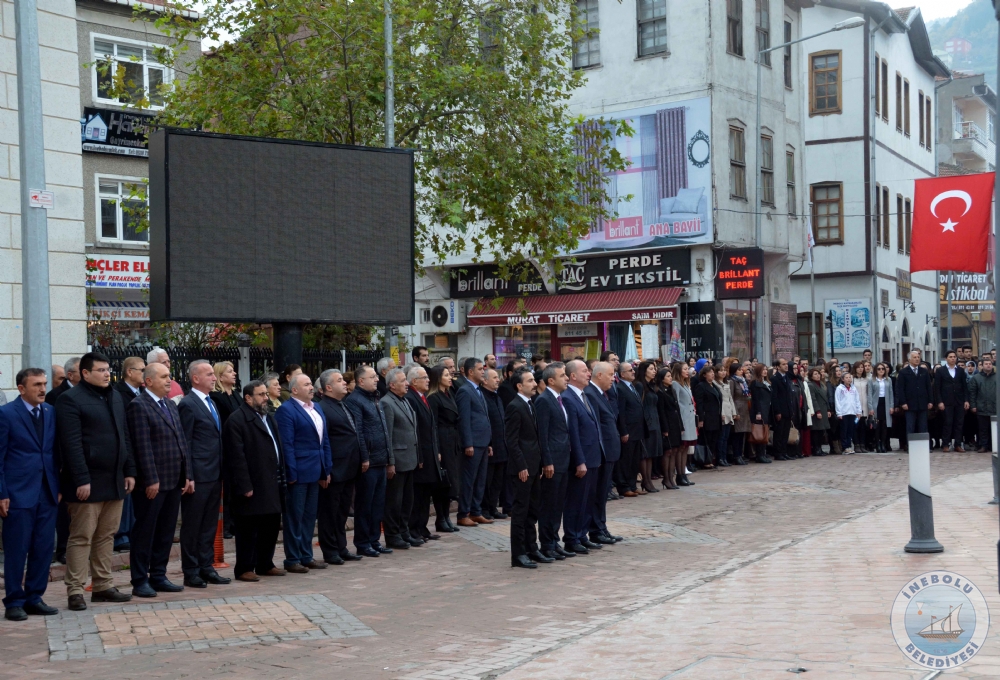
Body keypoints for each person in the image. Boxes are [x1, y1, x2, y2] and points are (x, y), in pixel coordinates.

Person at [56, 352, 136, 611]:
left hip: (114, 479)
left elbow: (124, 435)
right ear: (85, 373)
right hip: (86, 482)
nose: (106, 374)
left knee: (106, 535)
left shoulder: (115, 396)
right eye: (100, 370)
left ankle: (102, 586)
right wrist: (81, 479)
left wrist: (129, 470)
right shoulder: (70, 399)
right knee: (81, 537)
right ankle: (75, 590)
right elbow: (71, 444)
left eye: (107, 369)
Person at [126, 362, 194, 598]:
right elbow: (142, 446)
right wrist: (151, 479)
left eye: (169, 376)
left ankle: (159, 575)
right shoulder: (139, 406)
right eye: (164, 376)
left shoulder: (170, 404)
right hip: (153, 483)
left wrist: (187, 474)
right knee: (145, 531)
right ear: (149, 381)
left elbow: (181, 441)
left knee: (166, 531)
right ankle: (139, 579)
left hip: (174, 479)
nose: (169, 380)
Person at [1, 368, 60, 621]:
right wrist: (2, 493)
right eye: (36, 384)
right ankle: (14, 601)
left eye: (44, 384)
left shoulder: (50, 412)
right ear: (21, 388)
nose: (42, 389)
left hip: (47, 492)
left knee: (43, 548)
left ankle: (34, 597)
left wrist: (58, 487)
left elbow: (54, 452)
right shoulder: (6, 414)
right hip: (18, 493)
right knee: (17, 549)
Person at [223, 380, 287, 581]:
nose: (266, 398)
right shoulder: (237, 420)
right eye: (261, 394)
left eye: (266, 394)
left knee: (270, 524)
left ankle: (265, 563)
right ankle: (244, 567)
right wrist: (244, 485)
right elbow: (236, 457)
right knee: (248, 528)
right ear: (248, 398)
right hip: (252, 482)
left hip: (272, 480)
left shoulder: (269, 418)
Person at [177, 360, 232, 588]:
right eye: (209, 374)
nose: (214, 377)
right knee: (193, 524)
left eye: (213, 374)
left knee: (209, 524)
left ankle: (206, 566)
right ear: (195, 378)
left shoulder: (211, 403)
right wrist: (188, 475)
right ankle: (191, 571)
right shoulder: (188, 404)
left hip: (214, 472)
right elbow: (186, 443)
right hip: (198, 475)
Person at [275, 373, 333, 570]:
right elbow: (287, 445)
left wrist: (326, 468)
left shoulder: (316, 407)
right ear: (294, 390)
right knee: (295, 517)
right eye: (306, 384)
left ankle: (306, 555)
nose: (311, 387)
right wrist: (291, 473)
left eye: (310, 384)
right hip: (298, 472)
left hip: (315, 470)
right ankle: (292, 559)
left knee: (309, 517)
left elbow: (324, 440)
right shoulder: (286, 410)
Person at [316, 369, 364, 565]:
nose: (344, 382)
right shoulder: (322, 408)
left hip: (349, 467)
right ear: (328, 387)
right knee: (329, 512)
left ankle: (341, 547)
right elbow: (323, 440)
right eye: (339, 381)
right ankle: (330, 550)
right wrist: (325, 470)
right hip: (334, 468)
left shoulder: (344, 404)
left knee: (342, 510)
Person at [344, 365, 392, 557]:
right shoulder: (355, 400)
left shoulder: (375, 397)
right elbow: (359, 432)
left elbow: (384, 430)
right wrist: (364, 457)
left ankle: (374, 540)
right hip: (369, 462)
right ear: (361, 381)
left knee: (378, 504)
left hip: (380, 459)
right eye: (372, 377)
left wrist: (388, 457)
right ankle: (363, 543)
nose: (377, 380)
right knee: (365, 504)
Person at [560, 359, 603, 555]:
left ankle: (582, 535)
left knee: (588, 499)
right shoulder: (568, 398)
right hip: (582, 458)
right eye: (585, 371)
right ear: (573, 376)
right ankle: (572, 537)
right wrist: (579, 461)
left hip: (593, 455)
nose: (588, 374)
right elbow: (574, 433)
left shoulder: (584, 395)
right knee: (576, 500)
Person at [505, 368, 546, 569]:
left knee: (532, 510)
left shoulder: (530, 404)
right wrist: (521, 465)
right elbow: (511, 441)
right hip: (522, 468)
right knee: (520, 511)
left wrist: (539, 463)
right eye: (530, 381)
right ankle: (519, 553)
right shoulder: (514, 406)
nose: (534, 384)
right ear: (519, 386)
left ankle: (532, 548)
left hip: (534, 465)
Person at [535, 362, 574, 561]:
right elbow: (543, 434)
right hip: (553, 461)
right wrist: (547, 461)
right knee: (549, 505)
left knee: (558, 504)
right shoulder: (544, 401)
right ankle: (547, 544)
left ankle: (554, 541)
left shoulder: (559, 399)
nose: (567, 378)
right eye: (562, 376)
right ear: (551, 380)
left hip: (563, 459)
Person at [404, 365, 446, 543]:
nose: (428, 380)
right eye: (424, 378)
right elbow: (416, 430)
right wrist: (420, 455)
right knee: (418, 494)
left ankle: (422, 527)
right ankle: (414, 529)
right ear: (414, 381)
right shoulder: (411, 398)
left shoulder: (422, 396)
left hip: (430, 452)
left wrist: (436, 451)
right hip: (420, 454)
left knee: (426, 492)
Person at [381, 367, 420, 549]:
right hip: (398, 460)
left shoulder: (404, 400)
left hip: (410, 458)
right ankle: (393, 535)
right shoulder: (387, 403)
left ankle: (404, 532)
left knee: (407, 500)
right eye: (402, 381)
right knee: (394, 501)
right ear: (392, 385)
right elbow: (387, 435)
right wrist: (390, 462)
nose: (407, 383)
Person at [585, 361, 622, 545]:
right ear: (599, 375)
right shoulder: (591, 393)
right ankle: (596, 529)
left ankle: (601, 527)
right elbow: (596, 427)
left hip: (610, 451)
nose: (613, 378)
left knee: (603, 492)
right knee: (598, 493)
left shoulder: (602, 393)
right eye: (610, 375)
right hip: (602, 452)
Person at [454, 357, 493, 527]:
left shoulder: (478, 390)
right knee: (469, 480)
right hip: (473, 443)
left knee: (480, 480)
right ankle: (463, 513)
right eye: (480, 369)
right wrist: (468, 443)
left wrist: (489, 442)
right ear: (470, 372)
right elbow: (464, 419)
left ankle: (476, 512)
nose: (483, 372)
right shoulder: (464, 391)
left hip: (483, 442)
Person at [113, 356, 145, 552]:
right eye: (142, 370)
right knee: (127, 495)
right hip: (127, 451)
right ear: (129, 372)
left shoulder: (143, 393)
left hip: (142, 452)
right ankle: (121, 535)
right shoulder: (118, 393)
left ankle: (134, 531)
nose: (145, 373)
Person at [427, 365, 461, 532]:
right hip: (442, 439)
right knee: (442, 481)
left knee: (450, 482)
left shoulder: (449, 394)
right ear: (438, 377)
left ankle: (446, 517)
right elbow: (433, 425)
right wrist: (438, 450)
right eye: (446, 375)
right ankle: (441, 518)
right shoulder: (433, 397)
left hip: (452, 440)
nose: (450, 377)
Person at [481, 368, 509, 520]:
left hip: (501, 445)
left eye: (498, 377)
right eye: (494, 377)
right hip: (490, 446)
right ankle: (484, 508)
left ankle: (493, 507)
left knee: (498, 480)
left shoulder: (497, 397)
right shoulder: (483, 396)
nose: (498, 380)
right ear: (485, 380)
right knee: (487, 480)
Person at [615, 362, 644, 497]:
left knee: (634, 460)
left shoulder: (632, 386)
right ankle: (624, 486)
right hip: (628, 431)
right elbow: (621, 412)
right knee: (626, 460)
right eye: (630, 370)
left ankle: (632, 485)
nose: (633, 372)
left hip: (637, 430)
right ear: (622, 374)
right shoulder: (620, 388)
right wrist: (624, 431)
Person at [934, 350, 970, 452]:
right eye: (950, 357)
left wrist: (966, 400)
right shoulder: (940, 371)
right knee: (947, 423)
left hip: (959, 401)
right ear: (946, 359)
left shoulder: (960, 370)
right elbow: (937, 388)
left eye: (954, 357)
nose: (953, 358)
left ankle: (958, 444)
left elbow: (964, 387)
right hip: (946, 401)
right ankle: (945, 444)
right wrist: (939, 401)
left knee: (959, 423)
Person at [635, 360, 662, 492]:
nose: (654, 371)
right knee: (645, 454)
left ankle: (649, 480)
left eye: (654, 369)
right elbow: (638, 405)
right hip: (646, 422)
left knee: (651, 453)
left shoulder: (652, 385)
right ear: (644, 370)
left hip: (654, 421)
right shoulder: (639, 385)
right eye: (651, 369)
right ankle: (645, 480)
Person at [896, 349, 933, 437]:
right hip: (909, 404)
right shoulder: (903, 372)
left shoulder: (924, 371)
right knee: (910, 426)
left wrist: (930, 401)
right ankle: (910, 444)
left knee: (923, 426)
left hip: (922, 403)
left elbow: (928, 387)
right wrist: (903, 402)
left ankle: (923, 444)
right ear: (909, 359)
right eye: (914, 357)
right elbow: (900, 389)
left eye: (918, 357)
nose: (917, 359)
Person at [656, 367, 683, 488]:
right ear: (662, 379)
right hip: (668, 424)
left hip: (675, 423)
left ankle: (671, 478)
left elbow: (677, 409)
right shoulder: (660, 392)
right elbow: (661, 412)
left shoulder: (671, 390)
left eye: (670, 376)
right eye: (668, 376)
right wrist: (665, 429)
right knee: (668, 451)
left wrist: (681, 426)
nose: (670, 378)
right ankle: (666, 478)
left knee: (675, 450)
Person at [671, 363, 698, 482]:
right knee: (681, 447)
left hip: (690, 418)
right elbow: (676, 402)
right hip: (683, 418)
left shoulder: (686, 383)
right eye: (685, 369)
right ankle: (680, 474)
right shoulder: (675, 384)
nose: (688, 371)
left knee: (686, 448)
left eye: (688, 369)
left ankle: (683, 474)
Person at [692, 364, 722, 468]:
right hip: (707, 417)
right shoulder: (701, 386)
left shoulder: (714, 385)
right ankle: (704, 461)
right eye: (710, 372)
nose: (712, 374)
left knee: (714, 439)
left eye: (713, 372)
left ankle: (710, 459)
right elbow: (699, 404)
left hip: (716, 417)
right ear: (704, 375)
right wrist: (701, 419)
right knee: (706, 439)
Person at [969, 357, 996, 452]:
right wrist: (973, 405)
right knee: (982, 429)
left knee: (994, 428)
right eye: (986, 364)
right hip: (981, 407)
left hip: (995, 408)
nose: (988, 365)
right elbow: (972, 393)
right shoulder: (976, 378)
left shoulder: (997, 377)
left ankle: (994, 446)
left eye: (990, 364)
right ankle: (983, 445)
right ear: (982, 366)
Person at [866, 362, 894, 453]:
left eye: (883, 369)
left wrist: (891, 406)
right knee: (877, 425)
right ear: (875, 370)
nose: (881, 370)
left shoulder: (888, 379)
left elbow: (891, 393)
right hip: (876, 403)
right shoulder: (871, 380)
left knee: (884, 425)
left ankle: (883, 444)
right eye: (879, 369)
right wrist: (870, 408)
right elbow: (869, 395)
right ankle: (877, 444)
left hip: (885, 403)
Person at [770, 359, 794, 461]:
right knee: (779, 433)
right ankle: (778, 453)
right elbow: (774, 396)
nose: (786, 366)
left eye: (786, 364)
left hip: (788, 409)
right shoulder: (775, 378)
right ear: (778, 367)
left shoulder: (787, 377)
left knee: (785, 432)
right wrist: (777, 411)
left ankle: (784, 452)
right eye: (783, 364)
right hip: (780, 409)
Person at [727, 359, 750, 465]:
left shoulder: (743, 381)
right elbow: (731, 397)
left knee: (742, 434)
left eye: (742, 369)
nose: (742, 371)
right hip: (737, 408)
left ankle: (740, 454)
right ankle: (736, 455)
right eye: (739, 370)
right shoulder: (732, 381)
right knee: (736, 434)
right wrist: (734, 412)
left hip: (744, 408)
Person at [749, 364, 773, 464]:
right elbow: (756, 399)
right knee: (760, 432)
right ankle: (759, 455)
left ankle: (763, 453)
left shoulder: (767, 383)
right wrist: (758, 412)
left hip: (767, 409)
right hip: (760, 410)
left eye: (766, 369)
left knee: (765, 431)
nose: (765, 371)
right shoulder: (755, 383)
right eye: (763, 370)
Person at [835, 373, 862, 454]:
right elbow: (837, 401)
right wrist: (839, 413)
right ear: (843, 379)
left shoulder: (854, 388)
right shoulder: (840, 388)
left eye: (850, 377)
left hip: (852, 412)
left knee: (850, 430)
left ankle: (849, 445)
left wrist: (858, 411)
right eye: (846, 377)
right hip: (844, 413)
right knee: (844, 430)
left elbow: (857, 400)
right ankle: (845, 447)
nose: (848, 379)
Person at [807, 367, 831, 456]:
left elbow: (826, 398)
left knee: (822, 431)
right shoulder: (811, 385)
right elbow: (813, 399)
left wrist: (828, 409)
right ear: (811, 376)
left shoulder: (821, 384)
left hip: (824, 409)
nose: (818, 376)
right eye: (815, 374)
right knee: (816, 431)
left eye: (818, 374)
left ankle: (820, 448)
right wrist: (817, 411)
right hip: (818, 410)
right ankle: (816, 449)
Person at [211, 361, 242, 427]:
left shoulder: (235, 392)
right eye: (230, 372)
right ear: (220, 377)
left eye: (233, 371)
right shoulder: (215, 396)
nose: (235, 373)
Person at [716, 364, 735, 467]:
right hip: (722, 412)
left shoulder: (727, 383)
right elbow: (720, 401)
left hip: (729, 411)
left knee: (726, 437)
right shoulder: (715, 384)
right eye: (720, 370)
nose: (723, 372)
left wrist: (734, 412)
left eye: (724, 370)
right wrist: (721, 413)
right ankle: (720, 458)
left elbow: (730, 398)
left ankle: (724, 457)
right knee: (721, 437)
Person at [852, 362, 869, 453]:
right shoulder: (852, 379)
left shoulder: (866, 379)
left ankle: (863, 444)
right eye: (858, 367)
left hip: (865, 405)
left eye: (862, 367)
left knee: (863, 427)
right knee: (856, 426)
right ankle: (856, 445)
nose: (860, 369)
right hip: (855, 407)